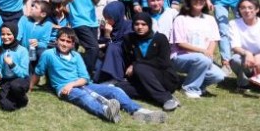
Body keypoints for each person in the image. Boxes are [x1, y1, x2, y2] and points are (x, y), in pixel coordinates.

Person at [31, 28, 167, 124]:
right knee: (84, 97)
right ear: (56, 40)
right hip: (64, 88)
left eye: (68, 42)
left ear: (73, 44)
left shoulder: (76, 56)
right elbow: (38, 72)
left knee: (114, 90)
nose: (65, 44)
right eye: (62, 40)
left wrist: (72, 83)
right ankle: (106, 111)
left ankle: (138, 111)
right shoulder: (48, 54)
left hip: (80, 84)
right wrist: (30, 87)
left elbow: (84, 78)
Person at [116, 13, 181, 111]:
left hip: (163, 77)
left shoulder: (160, 38)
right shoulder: (129, 39)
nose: (140, 27)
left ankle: (166, 98)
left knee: (139, 67)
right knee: (119, 87)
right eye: (137, 24)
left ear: (149, 25)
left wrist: (136, 65)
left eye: (143, 24)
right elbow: (128, 59)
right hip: (141, 79)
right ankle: (155, 94)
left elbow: (164, 63)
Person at [170, 0, 225, 98]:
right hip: (181, 57)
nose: (198, 1)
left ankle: (198, 84)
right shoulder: (180, 19)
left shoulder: (210, 19)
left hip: (203, 58)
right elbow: (180, 43)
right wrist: (202, 51)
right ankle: (190, 88)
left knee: (219, 75)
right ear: (189, 1)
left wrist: (209, 53)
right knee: (202, 59)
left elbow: (213, 39)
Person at [228, 0, 260, 94]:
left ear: (257, 9)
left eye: (250, 7)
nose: (247, 10)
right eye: (243, 7)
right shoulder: (233, 23)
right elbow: (235, 46)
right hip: (244, 58)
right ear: (239, 9)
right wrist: (247, 53)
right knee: (235, 60)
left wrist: (259, 57)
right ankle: (244, 84)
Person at [62, 0, 103, 77]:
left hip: (92, 21)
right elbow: (61, 5)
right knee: (93, 48)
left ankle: (78, 72)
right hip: (78, 22)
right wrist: (68, 0)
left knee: (91, 50)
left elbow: (94, 2)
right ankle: (86, 74)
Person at [0, 23, 31, 111]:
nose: (5, 37)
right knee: (7, 106)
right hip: (6, 81)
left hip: (20, 80)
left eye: (9, 34)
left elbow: (23, 73)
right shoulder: (0, 50)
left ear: (14, 34)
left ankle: (22, 99)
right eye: (3, 34)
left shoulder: (22, 51)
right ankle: (12, 98)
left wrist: (12, 64)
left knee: (15, 86)